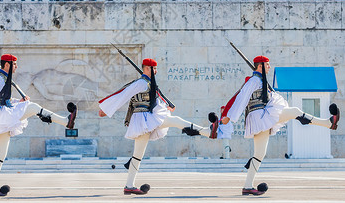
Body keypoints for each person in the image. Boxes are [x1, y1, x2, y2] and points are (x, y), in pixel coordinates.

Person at [221, 55, 340, 196]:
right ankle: (327, 123)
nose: (269, 67)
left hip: (262, 117)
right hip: (261, 116)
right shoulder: (253, 80)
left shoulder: (259, 80)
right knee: (295, 111)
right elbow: (240, 97)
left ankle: (247, 186)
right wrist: (229, 116)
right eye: (267, 65)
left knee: (259, 154)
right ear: (260, 66)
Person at [98, 58, 218, 195]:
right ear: (147, 68)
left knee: (139, 154)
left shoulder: (147, 82)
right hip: (143, 119)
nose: (156, 71)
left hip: (148, 118)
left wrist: (166, 106)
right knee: (140, 152)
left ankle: (129, 186)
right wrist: (106, 109)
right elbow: (123, 94)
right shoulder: (141, 83)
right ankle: (208, 132)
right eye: (154, 68)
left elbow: (153, 99)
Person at [0, 54, 78, 197]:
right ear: (7, 64)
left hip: (3, 117)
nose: (17, 67)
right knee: (32, 107)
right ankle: (66, 121)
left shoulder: (4, 79)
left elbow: (5, 101)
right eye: (14, 64)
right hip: (0, 117)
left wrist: (19, 102)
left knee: (0, 155)